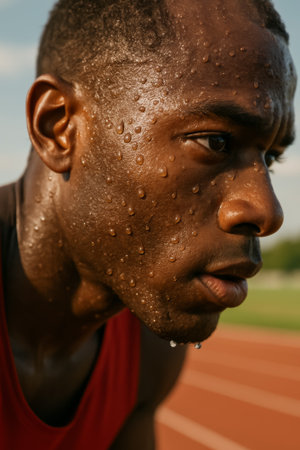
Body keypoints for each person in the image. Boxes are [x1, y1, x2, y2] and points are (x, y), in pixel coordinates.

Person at [0, 0, 296, 448]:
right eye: (215, 141)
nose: (265, 211)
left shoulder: (146, 350)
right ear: (58, 127)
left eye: (270, 158)